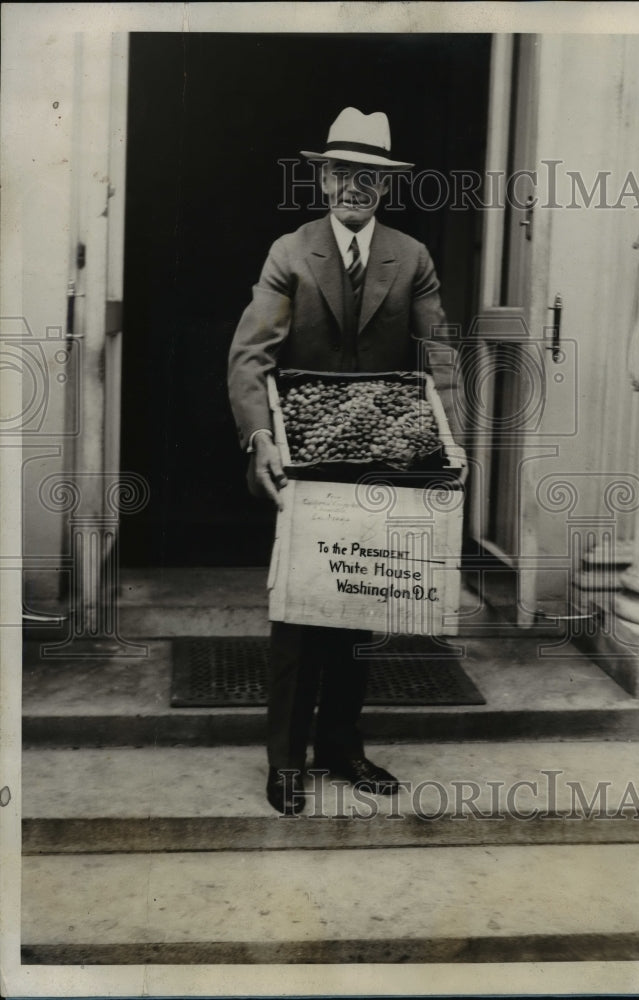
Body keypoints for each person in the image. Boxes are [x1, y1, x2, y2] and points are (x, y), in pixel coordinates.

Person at [228, 107, 463, 815]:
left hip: (382, 459)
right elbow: (249, 356)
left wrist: (452, 440)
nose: (355, 187)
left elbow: (438, 354)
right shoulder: (290, 252)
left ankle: (341, 746)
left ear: (384, 187)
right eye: (343, 173)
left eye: (370, 176)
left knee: (362, 605)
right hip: (303, 455)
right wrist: (259, 438)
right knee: (299, 615)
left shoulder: (412, 257)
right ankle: (286, 760)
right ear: (324, 179)